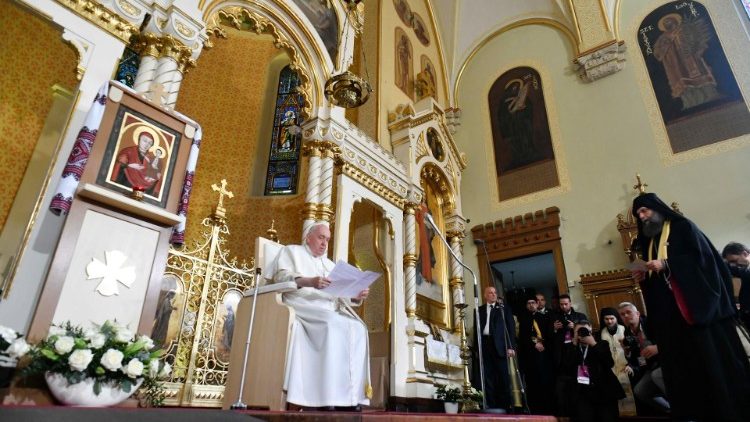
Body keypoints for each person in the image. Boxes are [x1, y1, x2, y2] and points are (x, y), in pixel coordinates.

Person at [630, 192, 750, 421]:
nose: (642, 216)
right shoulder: (650, 241)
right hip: (673, 321)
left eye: (644, 210)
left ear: (657, 208)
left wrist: (667, 263)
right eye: (638, 214)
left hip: (697, 314)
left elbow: (704, 261)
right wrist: (644, 274)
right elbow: (659, 281)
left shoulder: (683, 227)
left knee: (713, 371)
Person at [265, 222, 371, 410]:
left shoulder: (330, 265)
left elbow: (339, 293)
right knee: (332, 324)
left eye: (327, 240)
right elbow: (280, 277)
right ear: (308, 237)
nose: (324, 243)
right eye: (321, 237)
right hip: (302, 303)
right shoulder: (292, 252)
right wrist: (310, 282)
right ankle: (326, 397)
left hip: (328, 308)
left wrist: (355, 295)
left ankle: (349, 398)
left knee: (358, 328)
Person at [559, 320, 624, 422]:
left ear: (591, 330)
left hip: (603, 390)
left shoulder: (601, 344)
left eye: (585, 330)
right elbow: (566, 368)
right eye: (578, 331)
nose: (582, 334)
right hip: (582, 392)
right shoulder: (571, 347)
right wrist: (574, 344)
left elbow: (609, 363)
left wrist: (593, 343)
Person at [617, 302, 669, 415]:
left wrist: (657, 348)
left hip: (667, 362)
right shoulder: (627, 333)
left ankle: (683, 408)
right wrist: (627, 352)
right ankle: (670, 410)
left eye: (628, 312)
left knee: (657, 375)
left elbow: (671, 338)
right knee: (640, 391)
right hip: (651, 367)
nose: (625, 316)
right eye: (622, 314)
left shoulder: (651, 323)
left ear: (638, 313)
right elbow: (636, 359)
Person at [471, 286, 517, 410]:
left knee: (503, 377)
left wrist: (511, 346)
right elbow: (476, 330)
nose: (493, 295)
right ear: (485, 295)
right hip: (485, 345)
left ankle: (505, 406)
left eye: (495, 293)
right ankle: (489, 405)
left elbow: (511, 328)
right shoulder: (478, 310)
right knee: (487, 377)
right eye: (490, 293)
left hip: (500, 346)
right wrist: (476, 349)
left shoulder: (503, 309)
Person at [551, 294, 586, 416]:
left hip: (576, 353)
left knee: (578, 387)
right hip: (561, 355)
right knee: (562, 389)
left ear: (570, 303)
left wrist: (575, 327)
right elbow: (548, 337)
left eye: (566, 304)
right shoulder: (554, 316)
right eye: (561, 304)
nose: (564, 306)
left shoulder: (579, 316)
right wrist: (554, 329)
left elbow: (587, 332)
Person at [517, 295, 554, 414]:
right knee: (533, 384)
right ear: (526, 306)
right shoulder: (523, 320)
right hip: (530, 357)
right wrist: (534, 344)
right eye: (528, 303)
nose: (531, 305)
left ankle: (548, 409)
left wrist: (543, 344)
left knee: (546, 382)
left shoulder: (545, 318)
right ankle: (534, 411)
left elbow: (550, 335)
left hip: (544, 355)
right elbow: (522, 338)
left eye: (533, 302)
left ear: (537, 304)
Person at [597, 307, 635, 416]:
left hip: (626, 367)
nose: (609, 321)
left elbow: (634, 350)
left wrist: (631, 364)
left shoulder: (625, 329)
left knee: (628, 393)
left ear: (616, 318)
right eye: (606, 319)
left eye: (612, 318)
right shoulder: (600, 333)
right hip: (610, 369)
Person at [721, 242, 750, 329]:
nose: (733, 265)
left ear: (744, 254)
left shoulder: (744, 271)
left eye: (734, 261)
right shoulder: (743, 270)